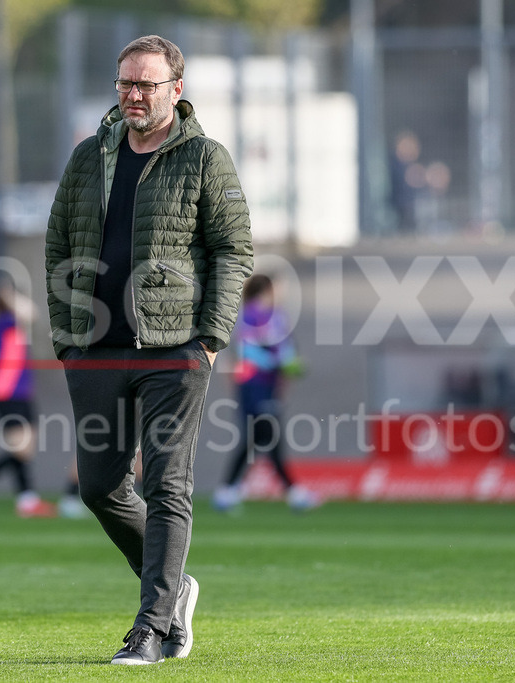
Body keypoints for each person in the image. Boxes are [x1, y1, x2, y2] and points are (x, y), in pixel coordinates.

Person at [45, 35, 253, 665]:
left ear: (176, 90)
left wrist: (211, 339)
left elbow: (235, 251)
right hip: (96, 350)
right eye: (125, 83)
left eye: (147, 84)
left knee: (167, 486)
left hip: (175, 350)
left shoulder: (205, 160)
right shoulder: (89, 157)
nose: (133, 95)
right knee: (101, 487)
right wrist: (67, 340)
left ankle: (153, 629)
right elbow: (57, 243)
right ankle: (174, 586)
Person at [212, 274, 319, 514]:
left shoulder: (263, 314)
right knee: (268, 437)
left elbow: (279, 349)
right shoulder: (258, 314)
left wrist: (288, 365)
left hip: (261, 385)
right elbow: (250, 351)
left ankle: (228, 491)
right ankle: (293, 492)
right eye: (278, 288)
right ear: (268, 290)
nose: (281, 294)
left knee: (256, 437)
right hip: (255, 385)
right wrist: (281, 363)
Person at [0, 281, 57, 518]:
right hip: (8, 392)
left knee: (24, 449)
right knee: (21, 448)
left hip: (21, 392)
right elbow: (32, 313)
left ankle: (26, 500)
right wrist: (8, 294)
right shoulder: (4, 323)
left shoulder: (9, 324)